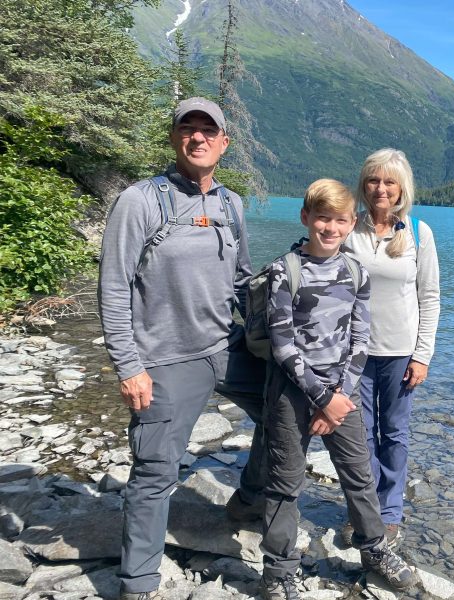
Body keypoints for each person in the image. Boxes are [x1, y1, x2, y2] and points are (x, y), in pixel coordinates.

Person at [98, 97, 267, 600]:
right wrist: (129, 366)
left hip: (228, 347)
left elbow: (242, 283)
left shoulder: (231, 205)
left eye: (208, 131)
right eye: (187, 129)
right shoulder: (141, 200)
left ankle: (249, 501)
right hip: (166, 359)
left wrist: (282, 326)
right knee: (155, 471)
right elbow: (113, 287)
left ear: (224, 143)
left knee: (287, 415)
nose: (198, 138)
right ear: (174, 139)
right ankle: (138, 584)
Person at [258, 179, 415, 599]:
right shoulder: (284, 270)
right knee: (285, 483)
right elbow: (282, 343)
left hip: (341, 391)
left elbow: (361, 339)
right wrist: (323, 398)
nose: (330, 228)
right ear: (306, 217)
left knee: (358, 475)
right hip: (293, 392)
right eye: (322, 217)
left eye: (340, 220)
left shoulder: (355, 271)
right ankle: (277, 571)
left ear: (351, 225)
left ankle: (374, 548)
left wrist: (341, 393)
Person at [342, 148, 440, 547]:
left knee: (394, 434)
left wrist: (423, 355)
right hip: (354, 353)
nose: (380, 189)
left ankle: (391, 510)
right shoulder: (349, 229)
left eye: (389, 181)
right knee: (360, 436)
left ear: (402, 188)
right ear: (364, 185)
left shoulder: (418, 232)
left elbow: (430, 296)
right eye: (373, 180)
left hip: (400, 352)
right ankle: (365, 511)